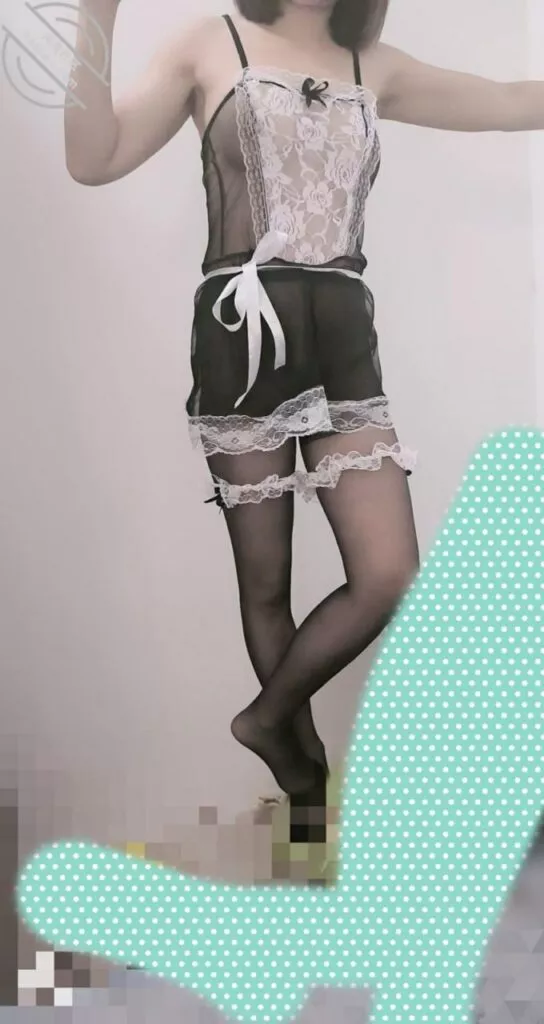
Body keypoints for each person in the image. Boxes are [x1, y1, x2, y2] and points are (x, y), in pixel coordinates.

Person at [65, 0, 544, 797]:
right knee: (265, 584)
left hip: (343, 334)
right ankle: (306, 783)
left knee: (388, 574)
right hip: (245, 334)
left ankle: (264, 720)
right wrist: (96, 15)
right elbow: (94, 158)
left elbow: (508, 102)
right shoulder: (210, 42)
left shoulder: (373, 64)